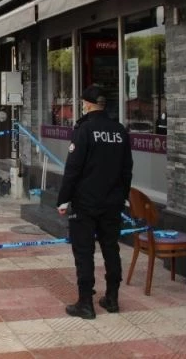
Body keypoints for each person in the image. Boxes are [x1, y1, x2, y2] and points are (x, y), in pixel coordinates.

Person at [57, 85, 133, 319]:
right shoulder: (119, 130)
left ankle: (85, 303)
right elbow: (127, 169)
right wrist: (123, 196)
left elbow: (73, 169)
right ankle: (112, 298)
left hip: (86, 203)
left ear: (87, 105)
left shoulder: (84, 130)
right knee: (111, 248)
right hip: (112, 202)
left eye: (82, 103)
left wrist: (63, 199)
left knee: (84, 252)